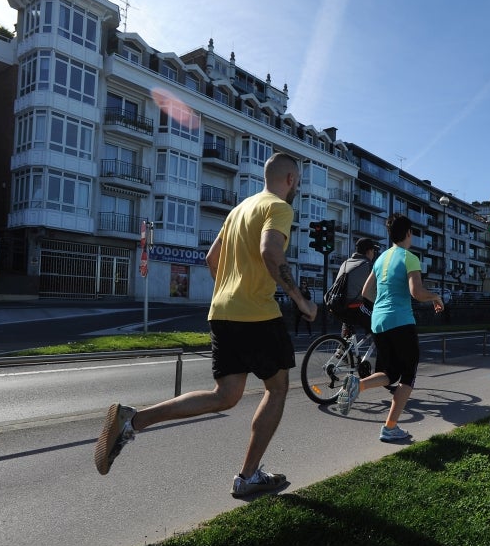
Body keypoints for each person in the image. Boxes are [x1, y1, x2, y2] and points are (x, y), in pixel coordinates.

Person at [94, 152, 317, 498]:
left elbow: (211, 259)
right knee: (277, 388)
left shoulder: (238, 211)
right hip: (256, 314)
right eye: (298, 182)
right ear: (290, 180)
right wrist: (300, 300)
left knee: (225, 395)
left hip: (222, 311)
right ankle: (248, 476)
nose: (297, 188)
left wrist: (230, 289)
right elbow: (271, 253)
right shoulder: (279, 207)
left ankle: (133, 420)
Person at [335, 213, 444, 441]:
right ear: (408, 233)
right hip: (401, 321)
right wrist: (435, 296)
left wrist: (383, 305)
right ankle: (390, 427)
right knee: (408, 376)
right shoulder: (409, 257)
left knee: (389, 373)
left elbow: (366, 292)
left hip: (379, 321)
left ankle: (358, 384)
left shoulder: (381, 258)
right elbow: (416, 292)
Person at [333, 237, 380, 337]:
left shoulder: (345, 263)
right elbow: (377, 289)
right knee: (380, 325)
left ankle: (342, 348)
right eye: (373, 251)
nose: (373, 254)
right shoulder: (368, 265)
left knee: (348, 329)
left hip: (338, 306)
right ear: (369, 251)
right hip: (355, 308)